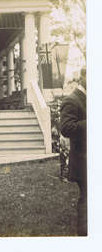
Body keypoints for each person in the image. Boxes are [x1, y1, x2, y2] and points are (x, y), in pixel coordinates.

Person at [60, 66, 87, 236]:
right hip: (83, 160)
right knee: (88, 198)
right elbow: (66, 128)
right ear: (83, 77)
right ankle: (85, 236)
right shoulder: (72, 100)